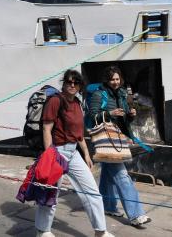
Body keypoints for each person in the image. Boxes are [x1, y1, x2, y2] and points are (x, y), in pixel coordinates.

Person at [35, 70, 114, 237]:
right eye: (69, 82)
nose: (72, 85)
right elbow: (46, 129)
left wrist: (86, 153)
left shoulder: (77, 103)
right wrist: (50, 156)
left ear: (80, 86)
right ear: (63, 83)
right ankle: (43, 230)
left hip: (73, 152)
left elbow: (78, 132)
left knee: (92, 191)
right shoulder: (55, 101)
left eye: (76, 83)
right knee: (51, 192)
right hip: (57, 150)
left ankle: (100, 231)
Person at [88, 66, 151, 228]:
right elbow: (92, 117)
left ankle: (108, 206)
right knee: (122, 176)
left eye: (117, 79)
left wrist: (130, 116)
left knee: (109, 174)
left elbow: (124, 120)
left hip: (119, 139)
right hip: (106, 139)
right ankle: (136, 215)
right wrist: (110, 114)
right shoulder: (98, 94)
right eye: (112, 79)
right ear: (107, 81)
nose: (115, 82)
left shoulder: (122, 93)